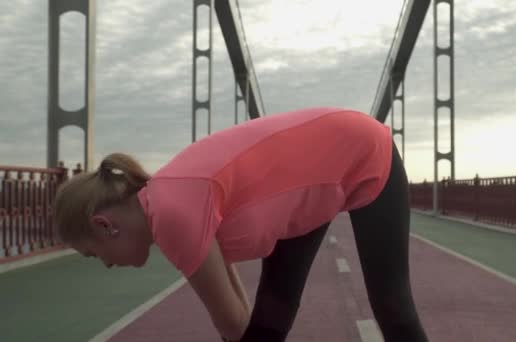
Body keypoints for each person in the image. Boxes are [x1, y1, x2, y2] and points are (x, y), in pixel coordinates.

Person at [52, 107, 428, 342]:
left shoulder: (171, 215)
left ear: (104, 225)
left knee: (392, 306)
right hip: (305, 192)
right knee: (271, 316)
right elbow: (238, 312)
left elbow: (232, 325)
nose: (105, 264)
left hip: (360, 152)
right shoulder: (168, 203)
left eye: (93, 254)